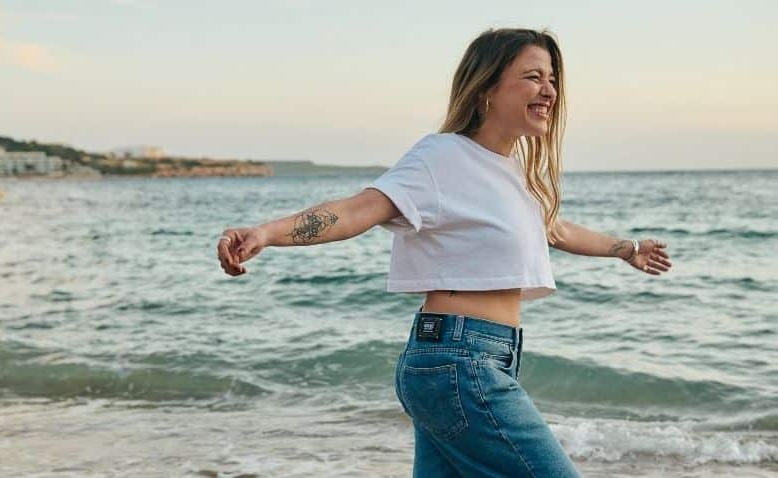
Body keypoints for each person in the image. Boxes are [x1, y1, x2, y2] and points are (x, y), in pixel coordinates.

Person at [216, 27, 672, 478]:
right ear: (487, 87)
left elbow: (554, 229)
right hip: (460, 360)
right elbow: (360, 209)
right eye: (533, 77)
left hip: (471, 362)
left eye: (552, 79)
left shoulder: (514, 172)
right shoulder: (442, 156)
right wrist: (266, 233)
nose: (550, 90)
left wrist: (626, 249)